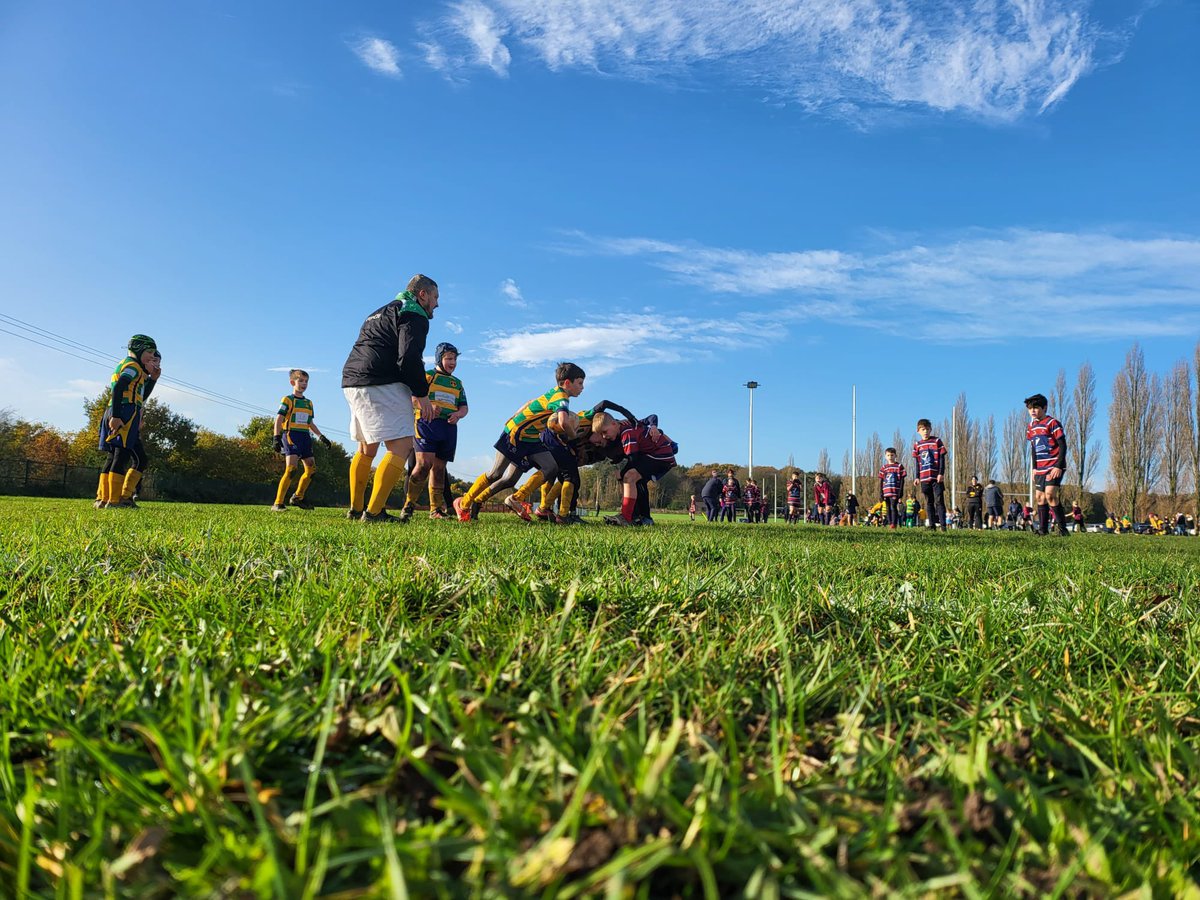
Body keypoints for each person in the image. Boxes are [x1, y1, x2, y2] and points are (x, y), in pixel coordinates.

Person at [341, 275, 439, 523]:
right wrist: (421, 394)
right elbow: (408, 358)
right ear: (423, 295)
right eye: (435, 297)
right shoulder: (414, 313)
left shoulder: (380, 311)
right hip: (380, 381)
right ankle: (373, 513)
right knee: (402, 445)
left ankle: (356, 509)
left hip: (352, 380)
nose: (437, 304)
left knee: (366, 447)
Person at [455, 362, 586, 521]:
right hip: (516, 435)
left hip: (531, 438)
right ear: (567, 383)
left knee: (550, 468)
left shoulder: (554, 393)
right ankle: (464, 503)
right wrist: (573, 437)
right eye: (580, 383)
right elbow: (564, 422)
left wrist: (515, 414)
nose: (582, 387)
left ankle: (515, 499)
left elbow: (531, 402)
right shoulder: (561, 398)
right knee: (496, 474)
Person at [398, 342, 468, 521]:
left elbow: (464, 407)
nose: (452, 362)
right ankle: (408, 505)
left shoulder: (457, 383)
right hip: (426, 424)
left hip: (448, 428)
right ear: (439, 358)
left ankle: (435, 510)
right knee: (423, 465)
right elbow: (413, 399)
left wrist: (458, 414)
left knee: (439, 469)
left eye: (455, 359)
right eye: (448, 358)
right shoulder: (428, 376)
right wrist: (429, 405)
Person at [96, 335, 160, 509]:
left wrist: (153, 379)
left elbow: (141, 396)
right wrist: (116, 415)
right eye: (149, 353)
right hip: (123, 411)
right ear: (138, 351)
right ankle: (115, 500)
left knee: (115, 455)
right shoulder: (132, 367)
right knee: (121, 455)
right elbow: (118, 387)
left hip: (124, 410)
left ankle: (103, 498)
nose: (151, 358)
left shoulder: (137, 370)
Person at [271, 369, 334, 512]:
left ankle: (298, 497)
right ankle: (278, 503)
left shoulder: (309, 403)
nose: (304, 384)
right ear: (292, 382)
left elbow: (310, 422)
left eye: (306, 381)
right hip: (291, 436)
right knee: (291, 469)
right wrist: (276, 437)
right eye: (301, 381)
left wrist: (321, 436)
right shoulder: (287, 400)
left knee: (311, 470)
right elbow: (279, 418)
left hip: (305, 437)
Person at [605, 418, 678, 526]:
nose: (604, 436)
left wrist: (654, 427)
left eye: (604, 432)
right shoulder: (621, 430)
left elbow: (633, 458)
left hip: (660, 455)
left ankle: (628, 516)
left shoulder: (627, 430)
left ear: (614, 423)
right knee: (636, 481)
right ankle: (638, 517)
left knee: (629, 476)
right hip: (651, 455)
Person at [1024, 393, 1069, 537]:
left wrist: (1058, 465)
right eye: (1030, 408)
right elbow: (1033, 448)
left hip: (1054, 465)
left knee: (1050, 495)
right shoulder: (1031, 426)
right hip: (1040, 468)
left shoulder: (1052, 423)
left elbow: (1062, 445)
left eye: (1036, 408)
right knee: (1040, 497)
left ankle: (1063, 529)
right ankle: (1043, 530)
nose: (1032, 411)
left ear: (1044, 408)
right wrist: (1034, 469)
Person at [912, 419, 948, 531]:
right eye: (923, 429)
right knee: (929, 502)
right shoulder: (917, 445)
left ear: (930, 429)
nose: (925, 431)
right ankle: (932, 525)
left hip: (936, 477)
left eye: (927, 429)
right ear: (918, 431)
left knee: (939, 501)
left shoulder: (937, 441)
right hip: (924, 477)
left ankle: (943, 526)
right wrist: (917, 476)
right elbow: (917, 462)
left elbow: (942, 458)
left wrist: (941, 473)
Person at [879, 448, 906, 530]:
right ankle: (890, 522)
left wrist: (900, 491)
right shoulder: (884, 467)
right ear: (885, 456)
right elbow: (881, 481)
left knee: (893, 506)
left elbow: (902, 480)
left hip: (895, 491)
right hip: (886, 491)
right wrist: (881, 492)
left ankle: (894, 523)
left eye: (892, 455)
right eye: (888, 455)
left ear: (895, 456)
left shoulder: (899, 466)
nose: (890, 457)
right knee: (887, 507)